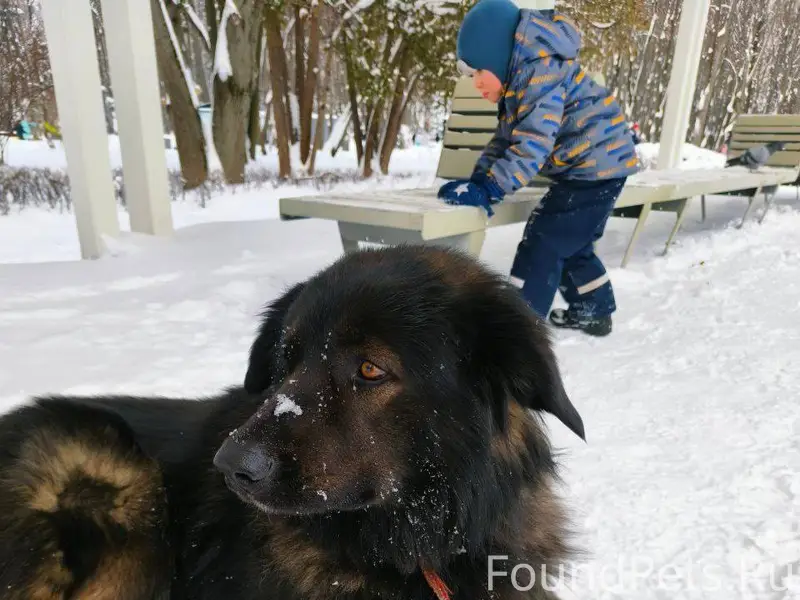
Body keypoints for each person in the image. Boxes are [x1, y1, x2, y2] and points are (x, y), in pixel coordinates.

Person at [438, 0, 641, 337]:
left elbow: (532, 145)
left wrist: (491, 189)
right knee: (571, 244)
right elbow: (505, 142)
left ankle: (519, 332)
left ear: (498, 57)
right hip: (596, 166)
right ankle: (594, 310)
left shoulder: (538, 78)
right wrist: (479, 180)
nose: (474, 82)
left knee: (544, 242)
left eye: (476, 71)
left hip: (594, 167)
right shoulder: (522, 82)